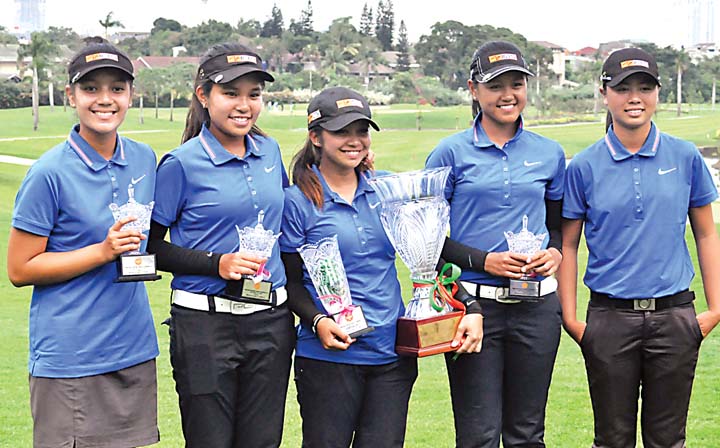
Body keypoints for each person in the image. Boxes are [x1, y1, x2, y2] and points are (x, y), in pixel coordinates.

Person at [280, 86, 483, 447]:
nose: (354, 141)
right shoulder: (298, 201)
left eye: (361, 131)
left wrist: (470, 305)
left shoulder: (387, 188)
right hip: (328, 356)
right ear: (316, 136)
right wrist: (319, 321)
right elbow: (291, 282)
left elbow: (427, 255)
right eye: (342, 131)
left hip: (392, 353)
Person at [558, 47, 720, 448]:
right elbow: (569, 243)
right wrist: (572, 320)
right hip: (610, 318)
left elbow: (705, 233)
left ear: (658, 93)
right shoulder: (584, 165)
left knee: (667, 440)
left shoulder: (684, 156)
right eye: (623, 88)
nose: (634, 97)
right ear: (604, 93)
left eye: (645, 88)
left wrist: (715, 310)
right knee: (612, 440)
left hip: (674, 316)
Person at [7, 41, 160, 447]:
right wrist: (103, 251)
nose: (105, 99)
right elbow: (20, 270)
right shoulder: (49, 174)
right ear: (71, 95)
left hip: (133, 350)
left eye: (117, 88)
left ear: (130, 95)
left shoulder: (145, 159)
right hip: (71, 358)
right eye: (91, 88)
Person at [147, 43, 294, 447]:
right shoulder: (180, 163)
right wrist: (218, 264)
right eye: (231, 93)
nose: (244, 104)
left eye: (253, 94)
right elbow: (150, 247)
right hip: (205, 326)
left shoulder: (270, 152)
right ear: (203, 95)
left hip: (270, 321)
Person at [425, 41, 566, 448]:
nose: (508, 94)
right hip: (474, 307)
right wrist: (485, 261)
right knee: (478, 435)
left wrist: (554, 251)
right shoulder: (450, 153)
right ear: (474, 89)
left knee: (527, 434)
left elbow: (556, 225)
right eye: (495, 85)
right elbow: (427, 243)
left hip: (537, 308)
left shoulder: (549, 153)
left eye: (517, 83)